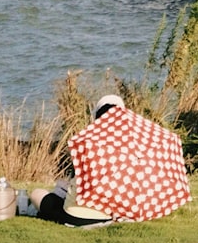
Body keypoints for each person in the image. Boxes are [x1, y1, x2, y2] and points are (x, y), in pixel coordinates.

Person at [28, 95, 125, 228]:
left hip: (74, 216)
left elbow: (76, 181)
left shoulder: (84, 144)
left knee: (36, 193)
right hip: (108, 215)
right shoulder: (128, 150)